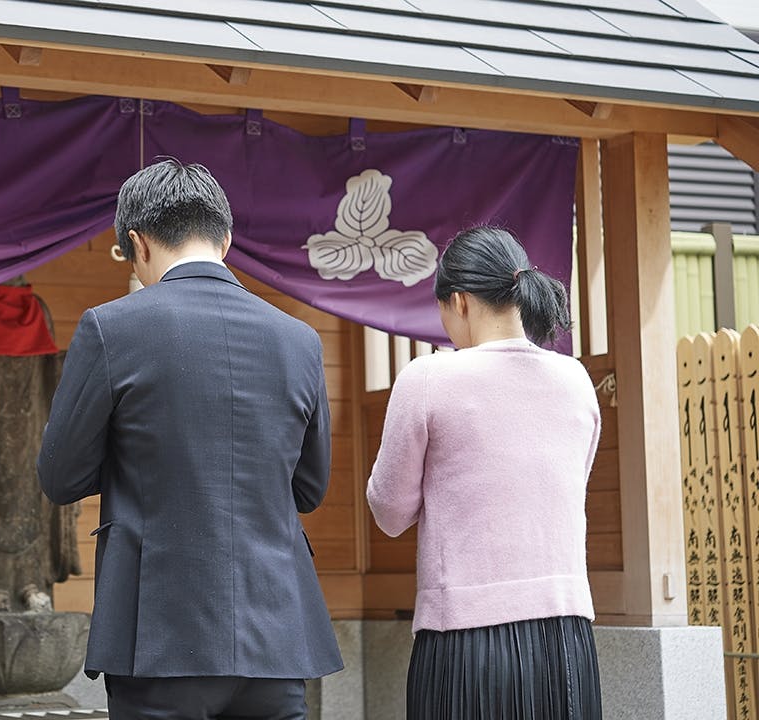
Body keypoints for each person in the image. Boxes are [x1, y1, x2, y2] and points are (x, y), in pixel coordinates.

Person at [37, 159, 342, 719]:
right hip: (277, 635)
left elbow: (61, 478)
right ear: (225, 240)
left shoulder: (111, 328)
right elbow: (309, 488)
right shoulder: (299, 339)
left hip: (157, 633)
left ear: (137, 243)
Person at [367, 225, 603, 719]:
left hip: (465, 639)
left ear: (459, 301)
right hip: (567, 638)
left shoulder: (428, 378)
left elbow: (389, 511)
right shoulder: (576, 380)